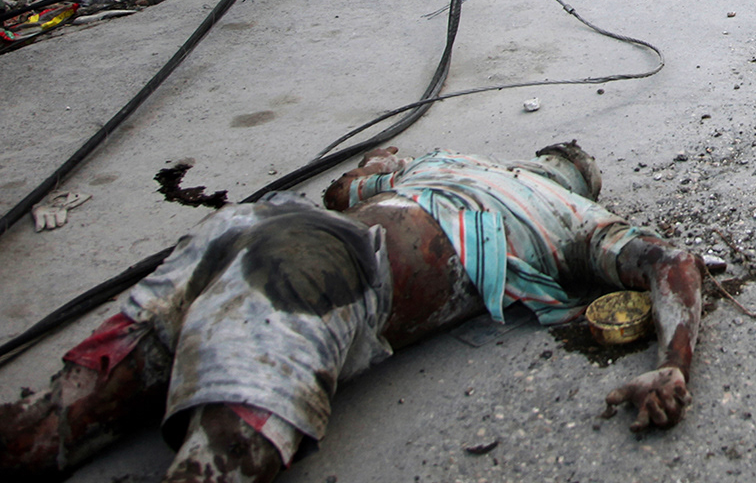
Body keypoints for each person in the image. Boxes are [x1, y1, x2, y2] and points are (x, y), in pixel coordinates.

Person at [0, 143, 702, 483]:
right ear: (578, 182)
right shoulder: (573, 215)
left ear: (539, 158)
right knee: (215, 467)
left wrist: (379, 162)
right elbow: (672, 264)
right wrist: (671, 366)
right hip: (314, 275)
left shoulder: (447, 161)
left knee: (46, 431)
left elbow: (343, 190)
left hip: (252, 231)